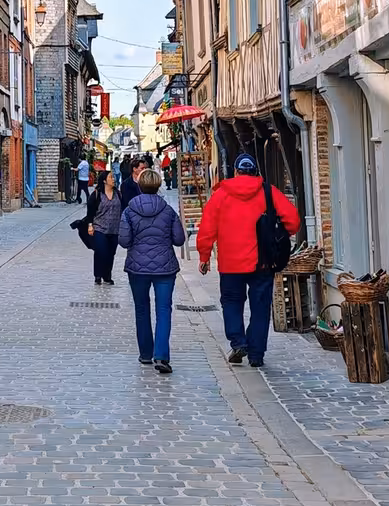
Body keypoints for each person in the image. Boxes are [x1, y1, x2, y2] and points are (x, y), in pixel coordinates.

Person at [196, 153, 301, 369]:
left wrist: (204, 256)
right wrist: (279, 234)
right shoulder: (268, 191)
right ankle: (256, 354)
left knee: (232, 303)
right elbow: (293, 221)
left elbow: (207, 228)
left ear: (235, 172)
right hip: (262, 262)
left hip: (230, 263)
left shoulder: (221, 194)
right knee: (260, 307)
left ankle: (238, 342)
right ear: (255, 171)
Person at [121, 166, 185, 373]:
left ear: (139, 185)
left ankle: (146, 354)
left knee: (142, 309)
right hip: (165, 267)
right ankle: (161, 356)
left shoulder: (129, 211)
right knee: (164, 310)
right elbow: (179, 239)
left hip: (137, 268)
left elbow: (124, 240)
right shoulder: (168, 210)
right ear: (158, 186)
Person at [86, 171, 122, 285]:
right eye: (111, 177)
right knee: (101, 252)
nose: (113, 179)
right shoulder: (97, 194)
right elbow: (90, 211)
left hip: (115, 229)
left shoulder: (118, 194)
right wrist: (90, 225)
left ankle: (107, 275)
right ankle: (98, 275)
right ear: (104, 181)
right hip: (100, 228)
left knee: (111, 253)